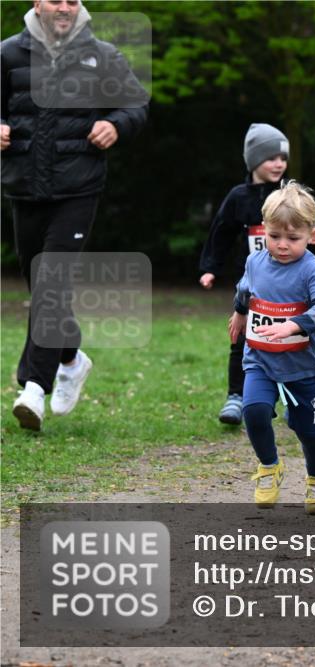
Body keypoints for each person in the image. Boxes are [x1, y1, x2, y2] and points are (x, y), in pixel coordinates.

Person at [4, 0, 149, 431]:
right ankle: (71, 357)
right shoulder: (8, 53)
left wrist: (117, 124)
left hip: (78, 187)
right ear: (37, 4)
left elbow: (136, 104)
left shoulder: (102, 55)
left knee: (50, 282)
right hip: (24, 187)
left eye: (72, 0)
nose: (64, 7)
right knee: (42, 285)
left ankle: (32, 387)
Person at [198, 123, 315, 425]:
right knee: (243, 339)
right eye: (270, 157)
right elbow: (220, 232)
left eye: (283, 159)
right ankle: (237, 395)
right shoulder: (239, 196)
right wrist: (210, 268)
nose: (278, 164)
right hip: (252, 281)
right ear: (252, 160)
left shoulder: (290, 195)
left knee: (291, 340)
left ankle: (292, 393)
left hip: (290, 286)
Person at [228, 182, 315, 514]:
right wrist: (239, 312)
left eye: (293, 238)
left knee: (310, 430)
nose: (282, 245)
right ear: (265, 231)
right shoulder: (256, 261)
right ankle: (269, 467)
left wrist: (294, 324)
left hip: (301, 367)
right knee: (254, 411)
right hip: (259, 358)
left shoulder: (313, 269)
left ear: (311, 235)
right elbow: (246, 289)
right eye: (275, 236)